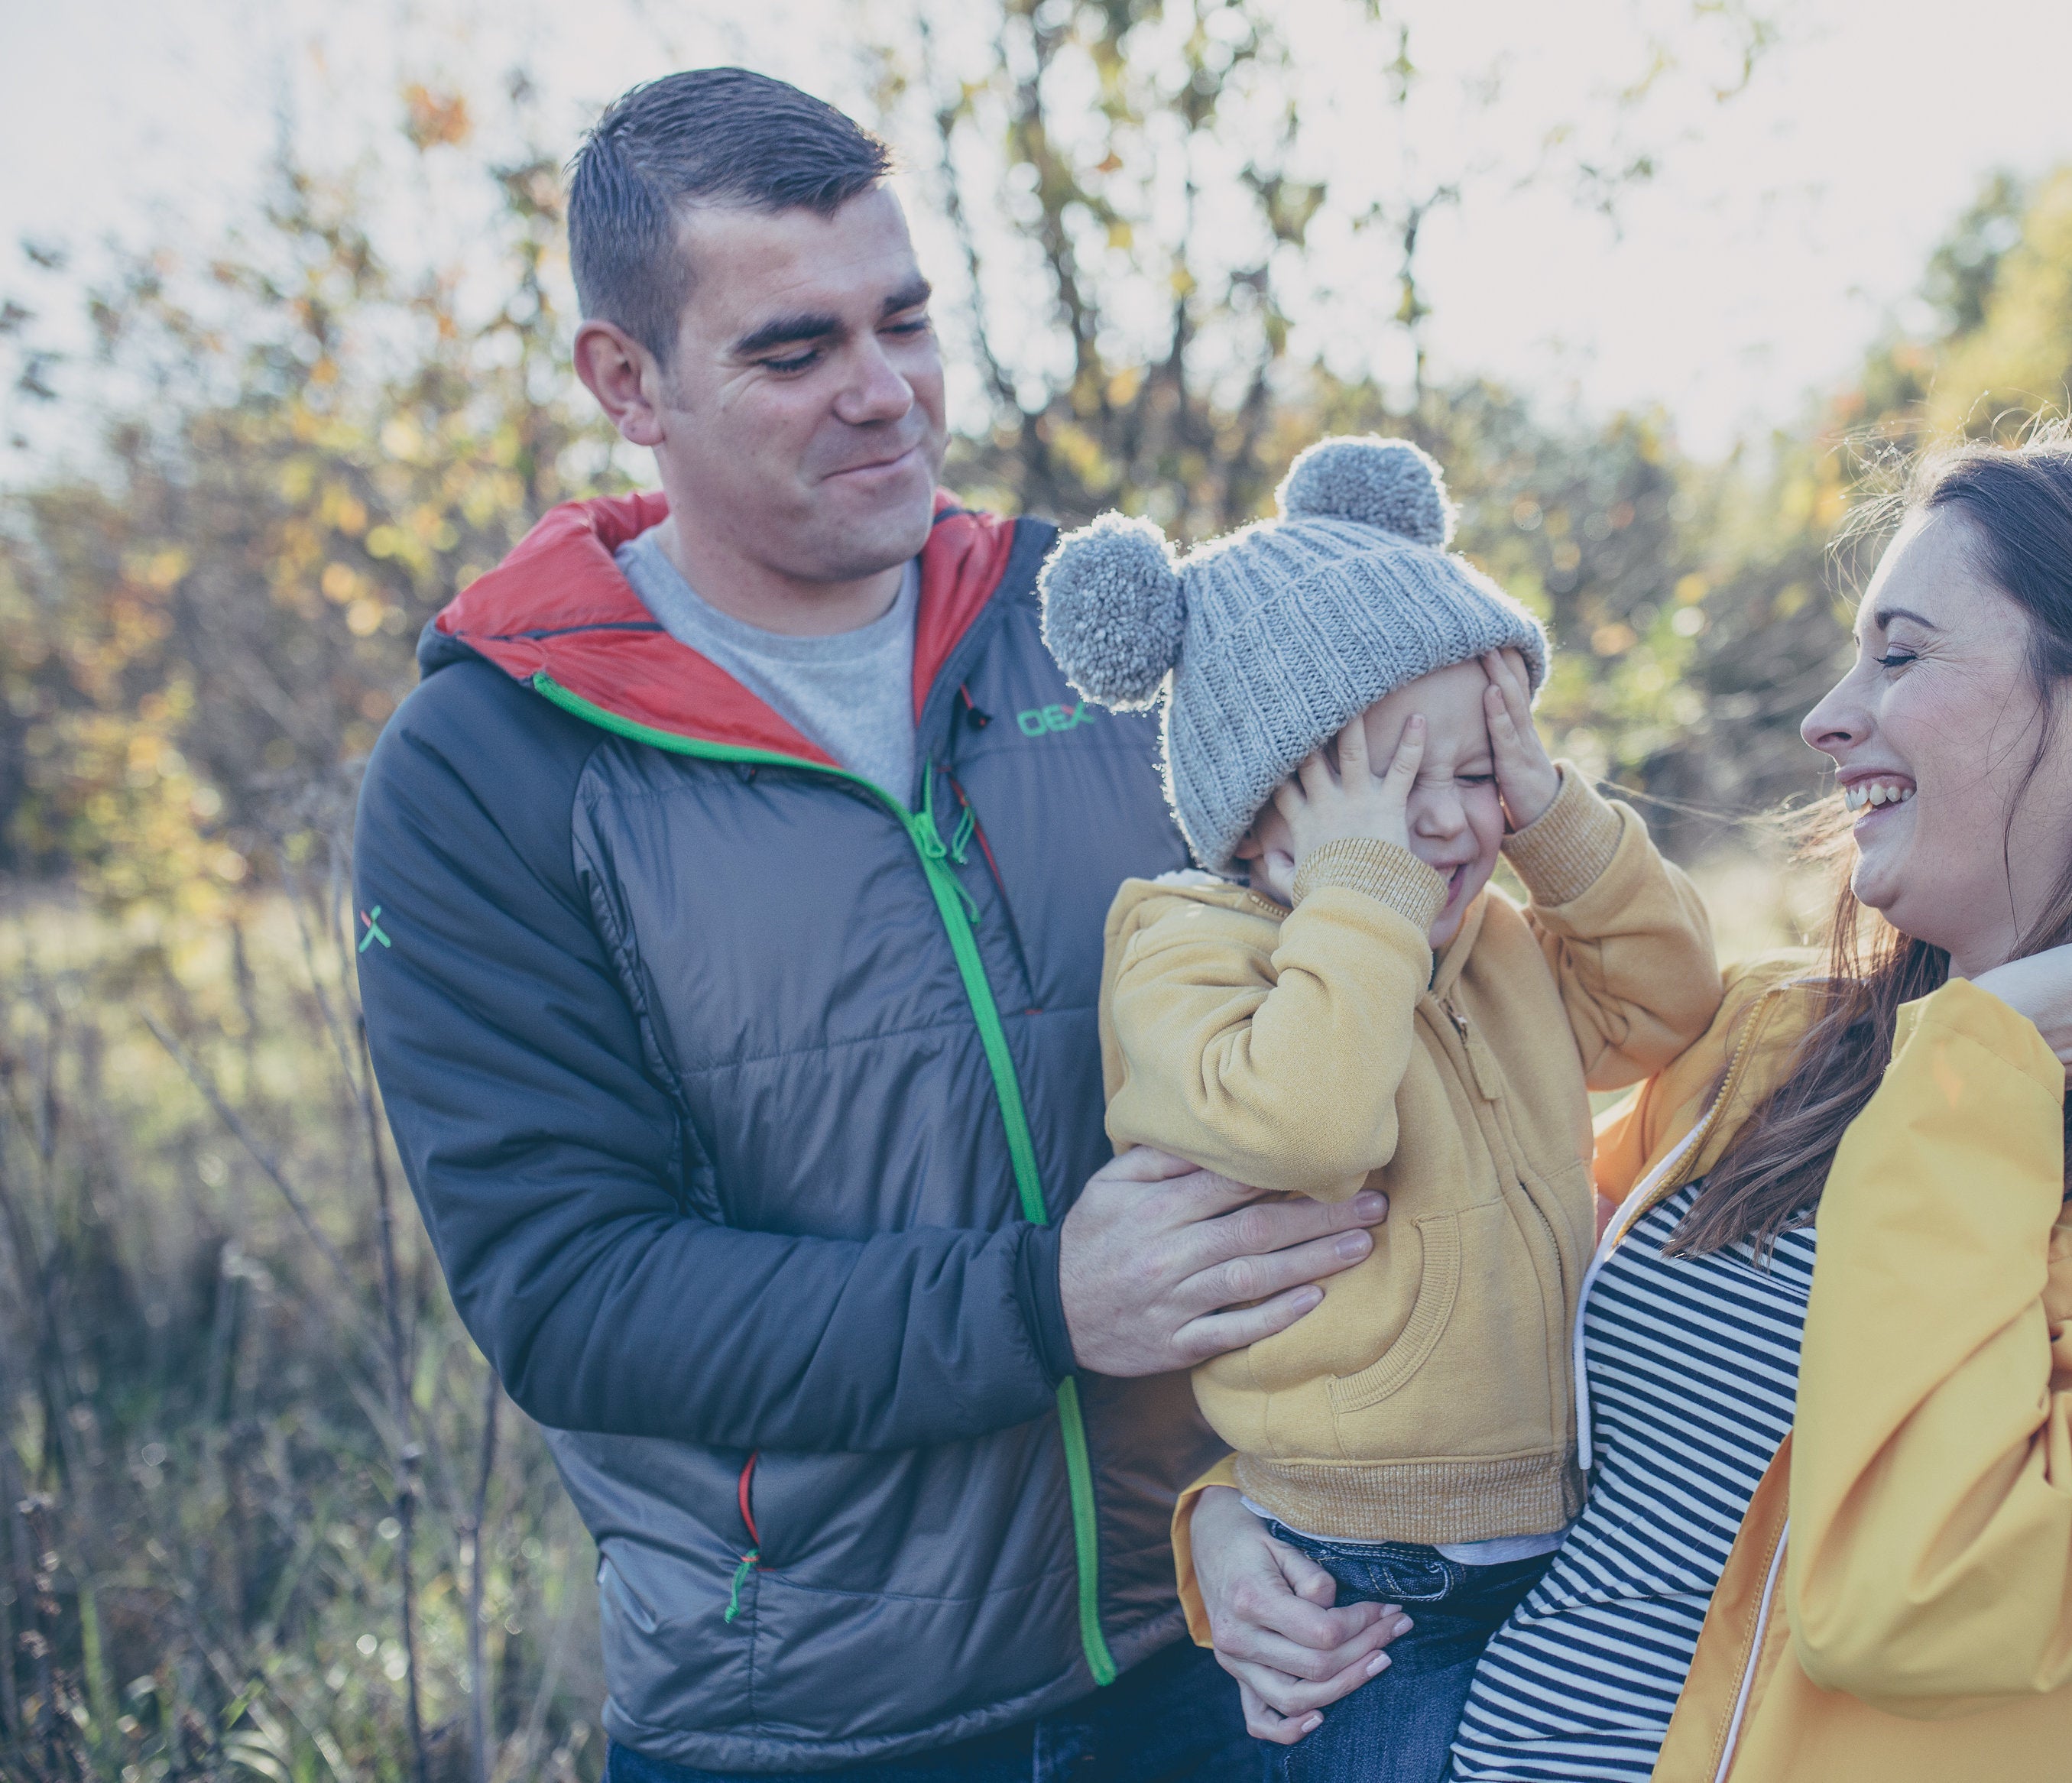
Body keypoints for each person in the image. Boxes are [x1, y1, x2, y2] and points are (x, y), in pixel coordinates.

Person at [1186, 430, 2072, 1782]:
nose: (1827, 716)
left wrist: (1984, 1066)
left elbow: (1919, 1593)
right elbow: (1464, 1316)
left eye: (1900, 655)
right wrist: (1241, 1521)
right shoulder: (1773, 1043)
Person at [353, 69, 1399, 1781]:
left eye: (904, 324)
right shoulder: (489, 767)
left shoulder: (1104, 632)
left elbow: (1377, 1033)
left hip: (1235, 1644)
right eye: (794, 350)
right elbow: (568, 1291)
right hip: (809, 1715)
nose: (884, 395)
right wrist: (1039, 1303)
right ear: (627, 381)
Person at [1038, 436, 1723, 1779]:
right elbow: (1309, 1124)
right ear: (1254, 811)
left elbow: (1671, 1006)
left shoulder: (1502, 943)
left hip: (1560, 1525)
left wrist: (1562, 825)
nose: (1449, 824)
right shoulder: (1187, 952)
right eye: (1385, 792)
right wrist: (1365, 895)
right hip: (1354, 1585)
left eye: (1479, 773)